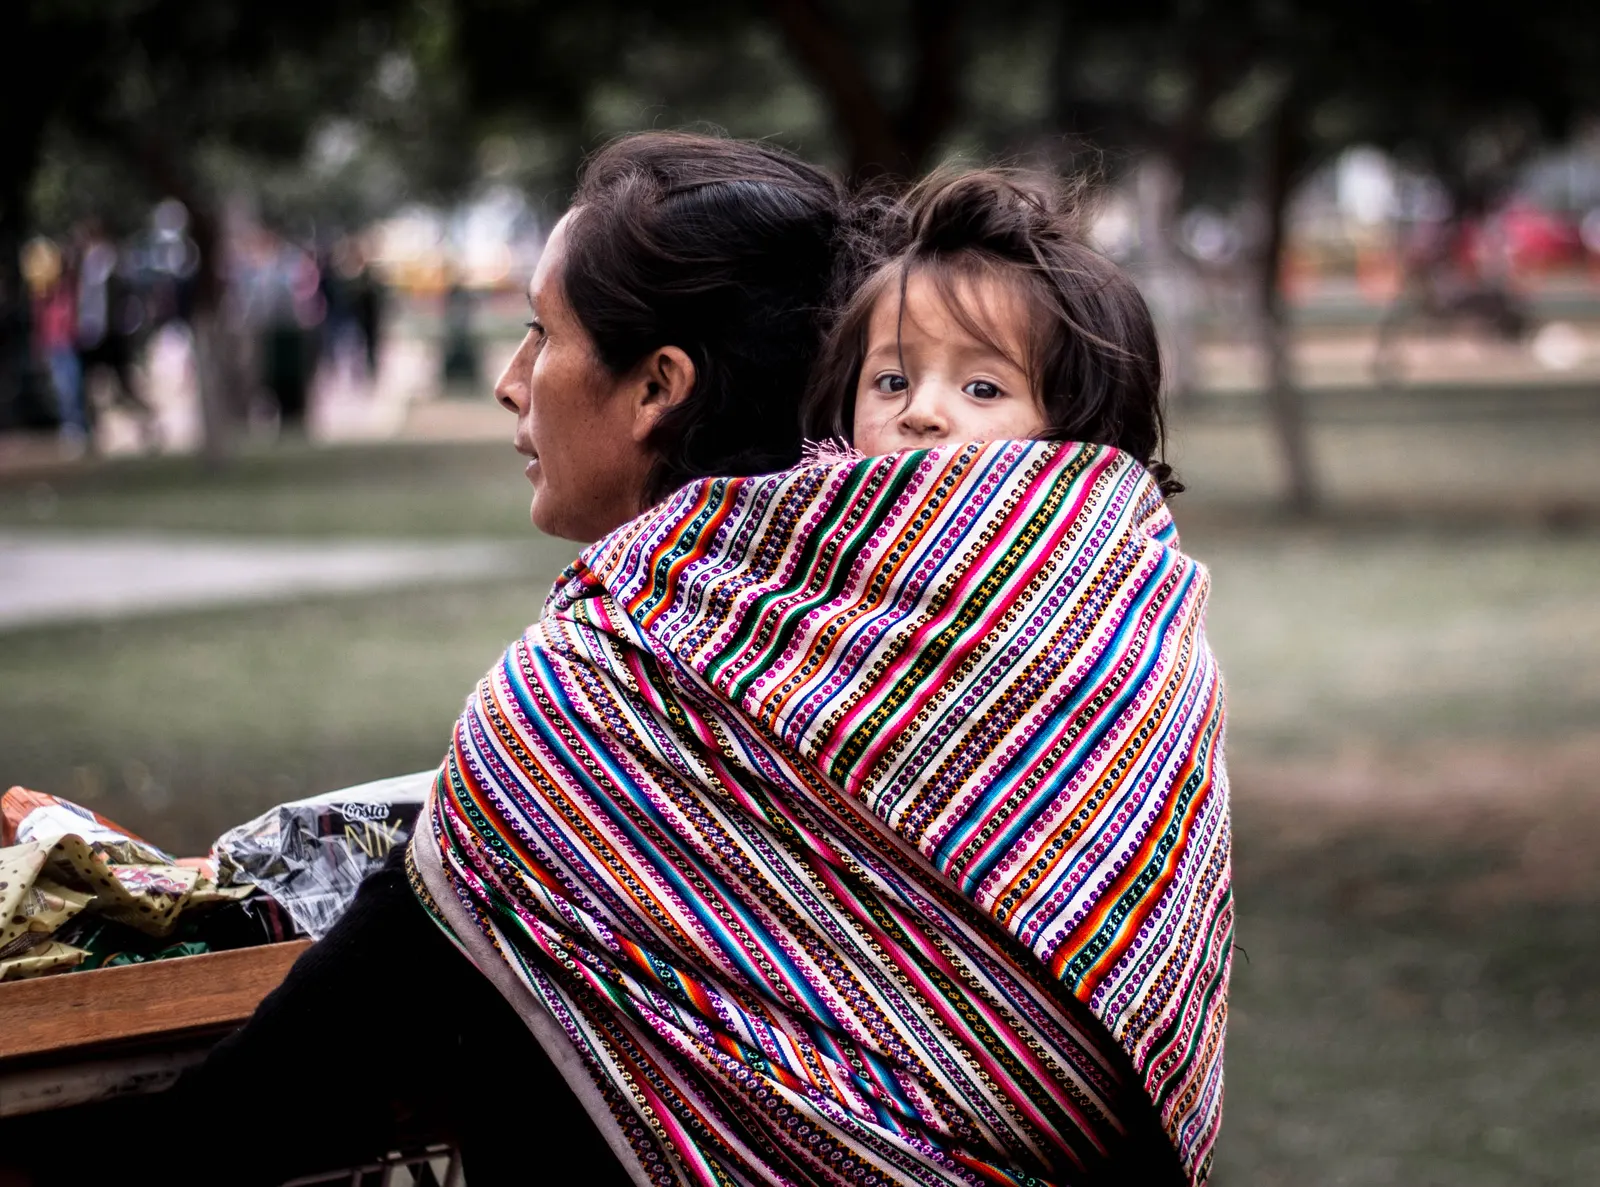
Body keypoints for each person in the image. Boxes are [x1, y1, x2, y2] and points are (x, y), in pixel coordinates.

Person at [14, 132, 862, 1187]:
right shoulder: (928, 642)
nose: (511, 382)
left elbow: (317, 1056)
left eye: (542, 334)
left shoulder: (594, 716)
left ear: (660, 386)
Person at [410, 167, 1228, 1185]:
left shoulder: (1114, 616)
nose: (927, 414)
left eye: (981, 387)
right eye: (891, 382)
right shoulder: (700, 634)